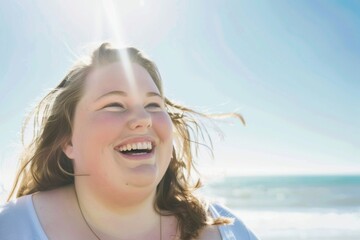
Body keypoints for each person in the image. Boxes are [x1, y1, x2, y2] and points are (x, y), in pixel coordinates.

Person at [0, 42, 259, 240]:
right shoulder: (13, 227)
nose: (143, 118)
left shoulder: (226, 230)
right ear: (68, 141)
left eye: (153, 104)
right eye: (114, 104)